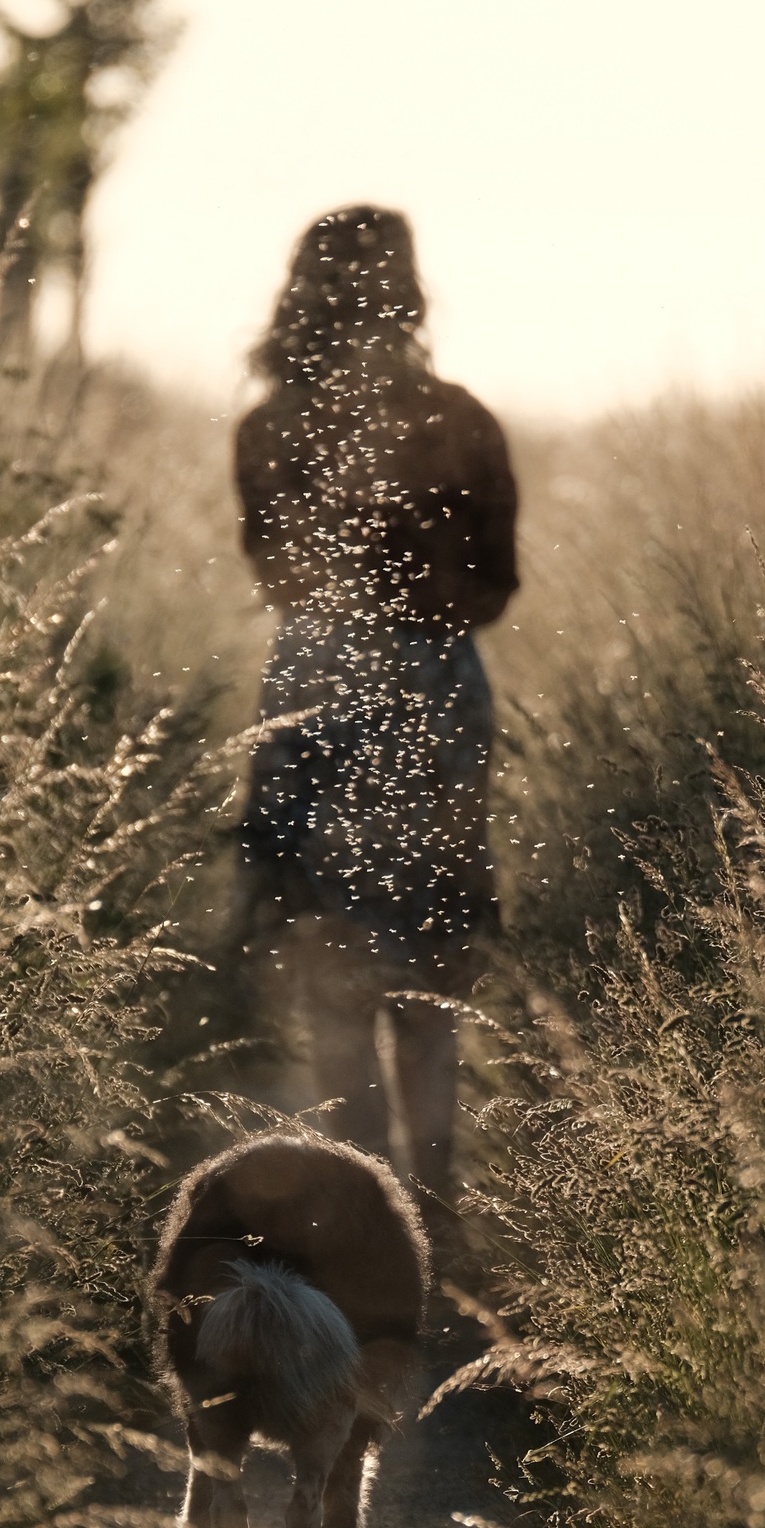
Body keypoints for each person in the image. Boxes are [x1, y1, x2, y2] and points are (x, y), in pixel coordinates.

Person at [235, 205, 518, 1260]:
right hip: (438, 689)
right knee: (432, 972)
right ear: (413, 291)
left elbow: (275, 576)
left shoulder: (267, 427)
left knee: (332, 963)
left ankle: (357, 1230)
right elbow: (495, 588)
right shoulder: (462, 418)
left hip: (312, 690)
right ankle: (435, 1224)